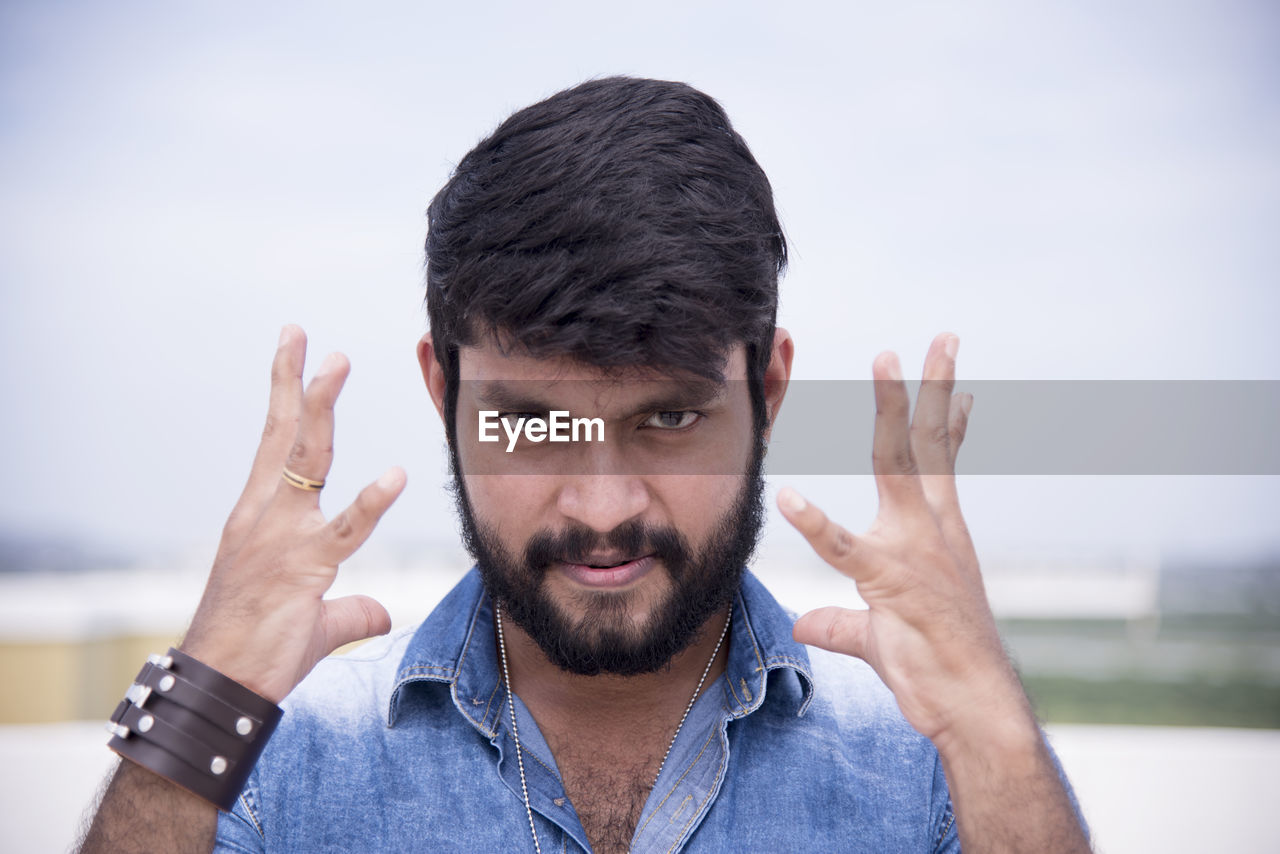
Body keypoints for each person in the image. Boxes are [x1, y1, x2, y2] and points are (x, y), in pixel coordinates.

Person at [79, 76, 1089, 853]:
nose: (602, 504)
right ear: (443, 392)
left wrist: (994, 735)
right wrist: (202, 693)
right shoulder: (267, 751)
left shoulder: (931, 762)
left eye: (669, 417)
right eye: (530, 422)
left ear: (767, 391)